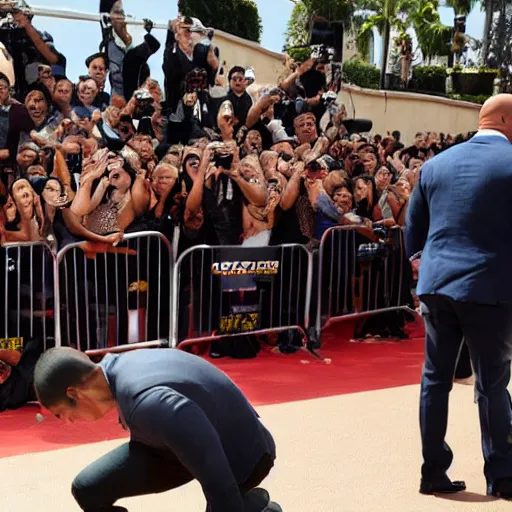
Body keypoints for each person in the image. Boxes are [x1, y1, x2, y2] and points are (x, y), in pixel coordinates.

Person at [405, 94, 512, 498]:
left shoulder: (435, 165)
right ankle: (501, 474)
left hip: (436, 286)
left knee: (435, 379)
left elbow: (412, 230)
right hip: (490, 287)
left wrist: (424, 267)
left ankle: (432, 472)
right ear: (503, 120)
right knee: (492, 382)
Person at [33, 347, 281, 512]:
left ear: (74, 393)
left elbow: (216, 475)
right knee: (88, 489)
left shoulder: (148, 403)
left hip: (240, 457)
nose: (69, 422)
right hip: (174, 446)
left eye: (61, 414)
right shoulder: (116, 369)